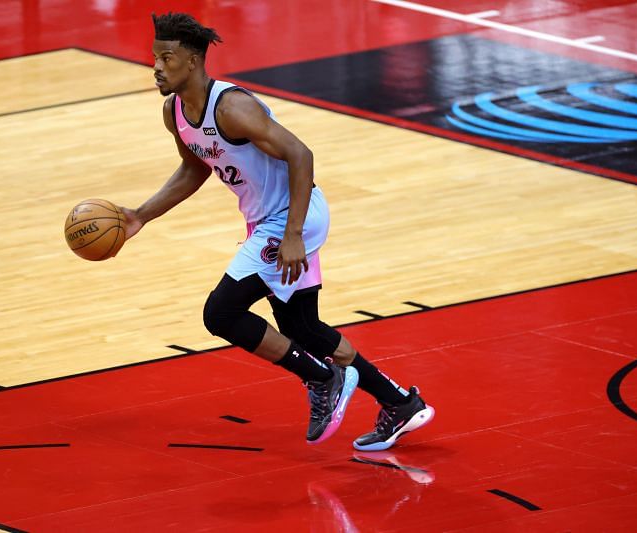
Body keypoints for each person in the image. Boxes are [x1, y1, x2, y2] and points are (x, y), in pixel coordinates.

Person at [121, 12, 434, 450]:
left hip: (293, 215)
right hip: (269, 220)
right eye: (154, 56)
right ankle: (399, 402)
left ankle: (322, 378)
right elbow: (195, 168)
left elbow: (300, 155)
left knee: (221, 314)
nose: (155, 66)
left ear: (192, 61)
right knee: (304, 328)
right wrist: (141, 215)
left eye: (166, 58)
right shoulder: (174, 111)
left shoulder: (232, 107)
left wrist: (291, 235)